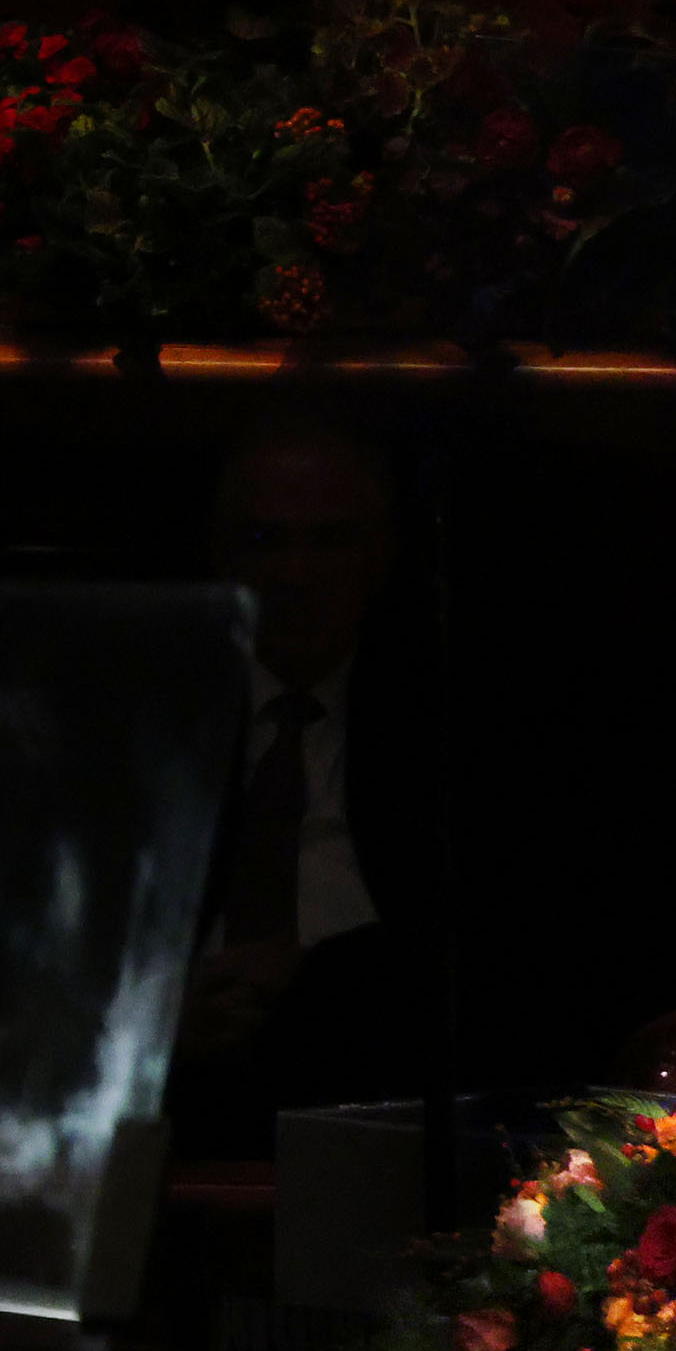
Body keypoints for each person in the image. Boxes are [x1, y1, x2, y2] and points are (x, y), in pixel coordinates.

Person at [168, 409, 436, 1152]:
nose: (294, 575)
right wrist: (154, 1021)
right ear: (219, 554)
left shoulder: (440, 715)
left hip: (376, 1090)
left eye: (331, 541)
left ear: (380, 557)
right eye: (264, 540)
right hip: (165, 1093)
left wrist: (313, 984)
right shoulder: (144, 713)